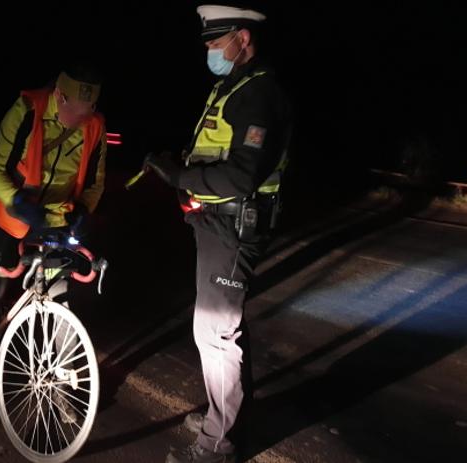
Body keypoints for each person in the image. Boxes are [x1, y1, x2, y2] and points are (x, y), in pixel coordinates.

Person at [143, 4, 292, 463]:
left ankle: (218, 445)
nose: (210, 51)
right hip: (216, 223)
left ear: (242, 38)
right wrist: (180, 166)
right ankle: (225, 417)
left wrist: (180, 179)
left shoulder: (260, 92)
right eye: (207, 43)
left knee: (214, 333)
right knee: (224, 328)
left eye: (215, 42)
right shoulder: (234, 86)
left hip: (235, 224)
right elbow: (217, 152)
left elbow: (243, 176)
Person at [0, 63, 108, 386]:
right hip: (9, 214)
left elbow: (95, 181)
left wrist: (84, 210)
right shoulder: (27, 111)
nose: (80, 121)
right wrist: (17, 202)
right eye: (74, 112)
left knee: (60, 295)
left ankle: (61, 376)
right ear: (59, 96)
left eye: (87, 112)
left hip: (58, 218)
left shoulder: (96, 126)